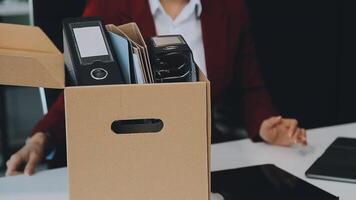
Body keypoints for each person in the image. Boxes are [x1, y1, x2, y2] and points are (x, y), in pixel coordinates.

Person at [6, 0, 307, 176]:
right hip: (126, 157)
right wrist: (41, 137)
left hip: (199, 156)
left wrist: (265, 124)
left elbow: (249, 87)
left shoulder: (230, 8)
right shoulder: (110, 5)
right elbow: (82, 92)